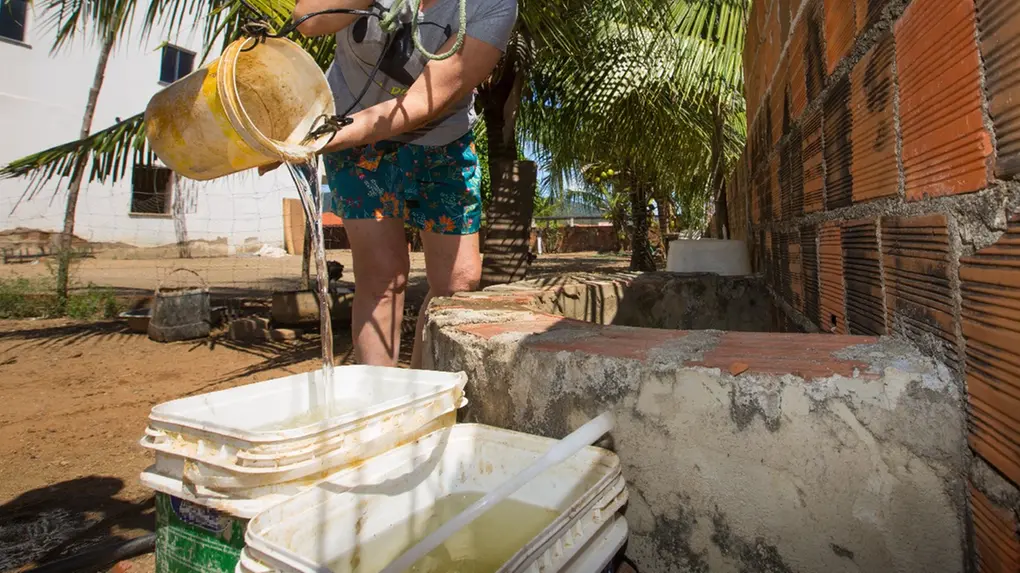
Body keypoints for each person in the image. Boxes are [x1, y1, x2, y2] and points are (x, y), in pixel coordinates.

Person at [264, 0, 517, 368]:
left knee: (458, 282)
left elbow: (421, 103)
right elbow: (307, 19)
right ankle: (378, 396)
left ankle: (422, 388)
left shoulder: (494, 5)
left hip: (440, 139)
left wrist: (314, 141)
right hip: (351, 133)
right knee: (382, 276)